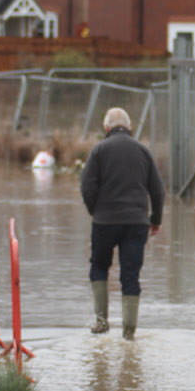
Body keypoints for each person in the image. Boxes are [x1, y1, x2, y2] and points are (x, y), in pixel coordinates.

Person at [79, 107, 165, 340]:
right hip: (136, 223)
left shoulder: (99, 150)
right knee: (130, 275)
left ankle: (101, 322)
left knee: (98, 267)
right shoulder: (143, 151)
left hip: (104, 222)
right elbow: (158, 190)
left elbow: (87, 187)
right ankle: (129, 333)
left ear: (106, 128)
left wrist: (95, 211)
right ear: (129, 128)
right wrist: (155, 220)